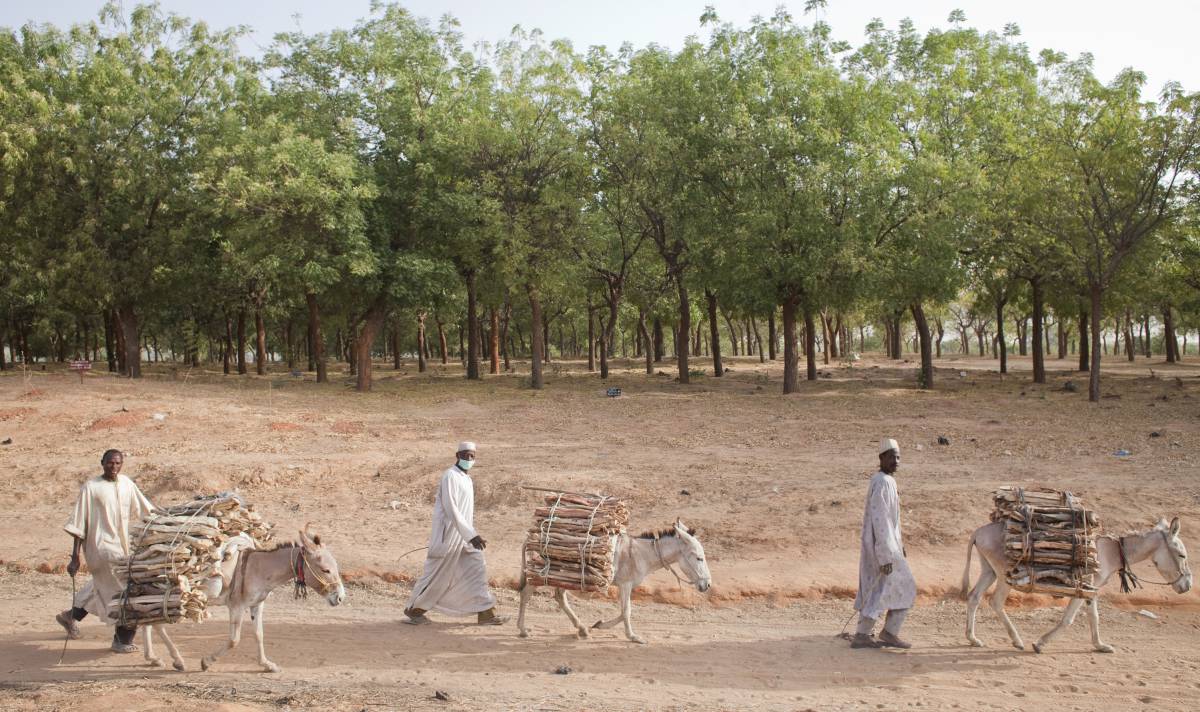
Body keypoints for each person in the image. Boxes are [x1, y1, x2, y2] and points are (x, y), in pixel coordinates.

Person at [56, 449, 156, 653]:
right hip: (99, 546)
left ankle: (71, 615)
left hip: (121, 546)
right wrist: (75, 557)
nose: (114, 467)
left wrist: (171, 520)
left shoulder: (127, 483)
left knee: (103, 584)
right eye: (110, 463)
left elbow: (147, 510)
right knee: (124, 587)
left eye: (118, 463)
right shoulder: (91, 488)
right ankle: (122, 639)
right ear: (102, 463)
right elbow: (78, 523)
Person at [403, 442, 507, 626]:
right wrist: (471, 535)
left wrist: (470, 535)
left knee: (477, 569)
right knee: (437, 576)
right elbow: (451, 509)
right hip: (448, 537)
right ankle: (414, 609)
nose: (469, 459)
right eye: (465, 455)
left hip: (465, 537)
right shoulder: (450, 476)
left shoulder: (467, 479)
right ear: (457, 455)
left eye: (472, 456)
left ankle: (486, 613)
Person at [851, 438, 916, 649]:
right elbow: (881, 522)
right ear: (881, 458)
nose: (896, 461)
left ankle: (865, 633)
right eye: (891, 457)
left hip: (888, 546)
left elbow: (891, 521)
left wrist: (899, 543)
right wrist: (886, 555)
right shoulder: (881, 482)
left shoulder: (887, 481)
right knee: (898, 587)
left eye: (898, 457)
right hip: (883, 549)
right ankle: (885, 633)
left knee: (878, 588)